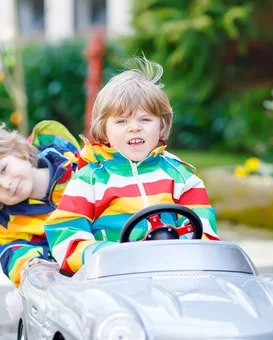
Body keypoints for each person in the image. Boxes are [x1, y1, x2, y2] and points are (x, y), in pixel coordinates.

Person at [44, 57, 219, 275]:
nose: (134, 128)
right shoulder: (89, 180)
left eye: (145, 120)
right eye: (121, 121)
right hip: (112, 278)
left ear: (162, 124)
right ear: (103, 129)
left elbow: (204, 232)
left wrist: (179, 250)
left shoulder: (182, 177)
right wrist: (111, 255)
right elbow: (66, 234)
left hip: (173, 272)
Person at [0, 120, 80, 289]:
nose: (6, 184)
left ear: (19, 151)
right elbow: (13, 251)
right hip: (65, 285)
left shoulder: (76, 168)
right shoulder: (9, 224)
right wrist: (30, 264)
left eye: (3, 169)